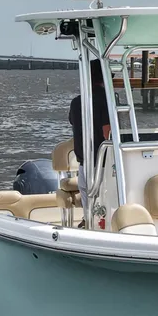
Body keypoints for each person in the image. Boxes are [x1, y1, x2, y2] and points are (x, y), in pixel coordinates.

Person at [68, 59, 112, 226]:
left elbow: (73, 122)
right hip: (102, 163)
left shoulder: (76, 102)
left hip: (84, 162)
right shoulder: (106, 99)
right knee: (104, 201)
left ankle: (88, 223)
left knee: (89, 205)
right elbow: (107, 132)